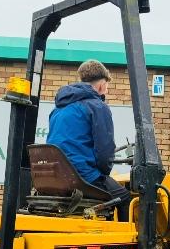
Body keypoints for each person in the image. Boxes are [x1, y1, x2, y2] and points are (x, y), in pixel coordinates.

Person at [47, 60, 131, 221]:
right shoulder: (97, 106)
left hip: (58, 175)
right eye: (106, 86)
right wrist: (104, 173)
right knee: (126, 198)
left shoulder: (58, 109)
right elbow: (105, 151)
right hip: (82, 176)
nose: (106, 90)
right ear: (101, 85)